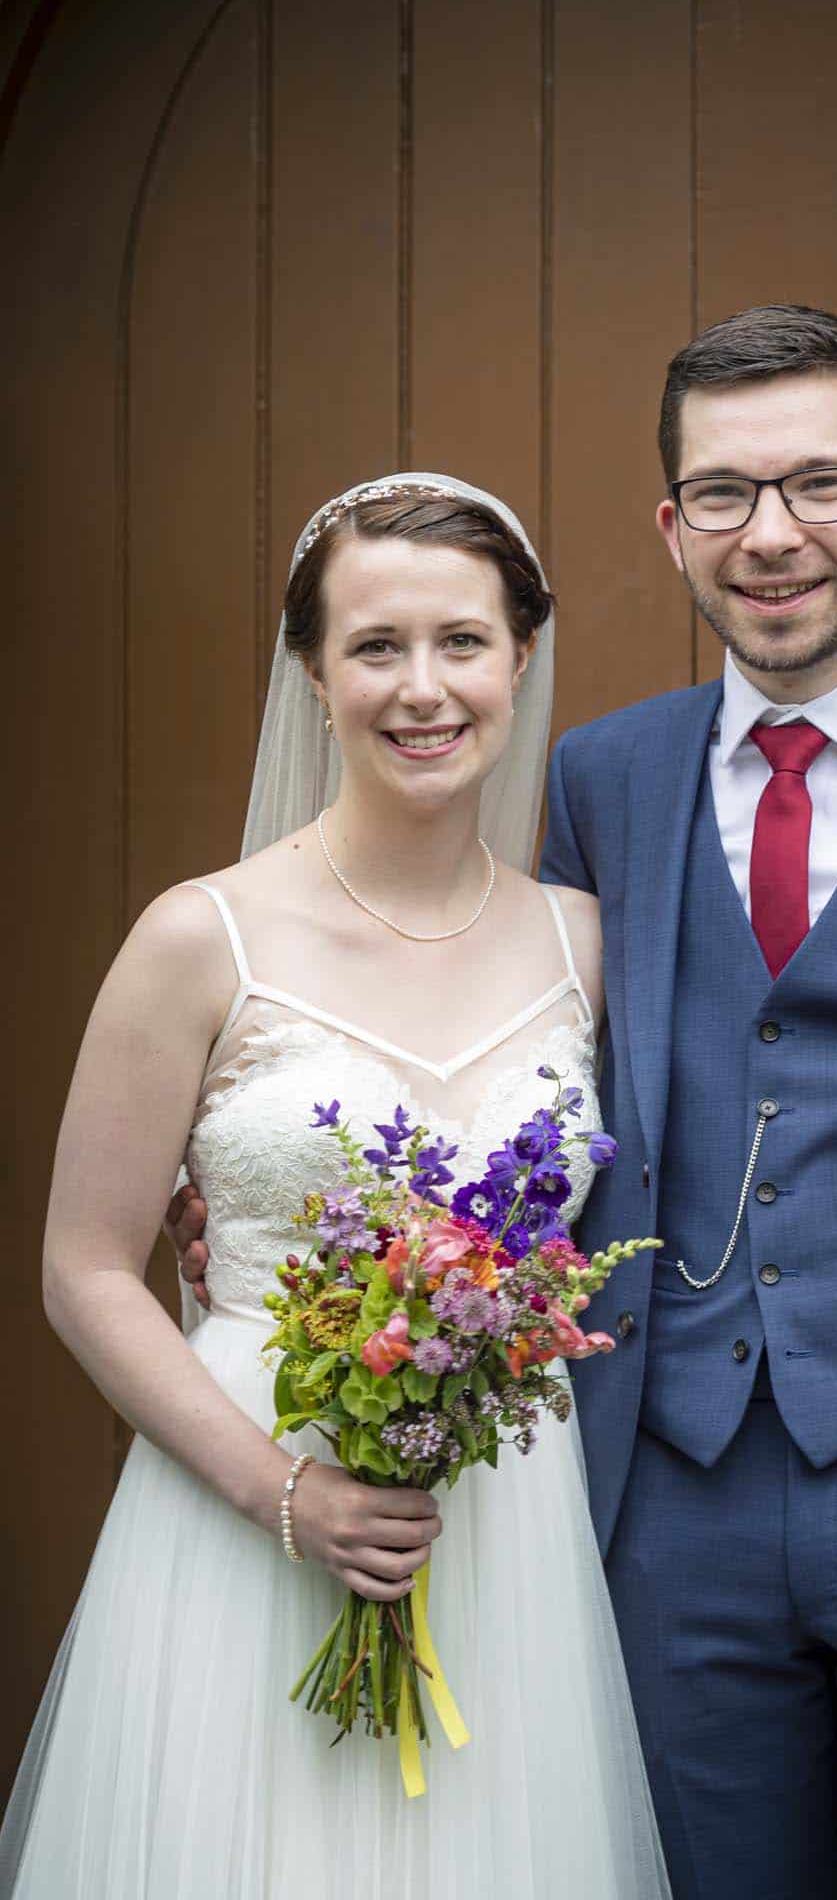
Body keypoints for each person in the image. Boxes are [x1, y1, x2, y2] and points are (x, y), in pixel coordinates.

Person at [175, 307, 837, 1900]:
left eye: (820, 484)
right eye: (725, 495)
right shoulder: (605, 780)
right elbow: (540, 1068)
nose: (775, 535)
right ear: (674, 530)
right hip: (662, 1515)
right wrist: (307, 1212)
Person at [1, 474, 671, 1899]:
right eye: (375, 646)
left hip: (506, 1530)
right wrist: (281, 1488)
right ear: (311, 669)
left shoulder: (588, 947)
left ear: (523, 657)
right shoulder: (200, 938)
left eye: (462, 643)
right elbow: (82, 1266)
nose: (421, 689)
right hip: (246, 1512)